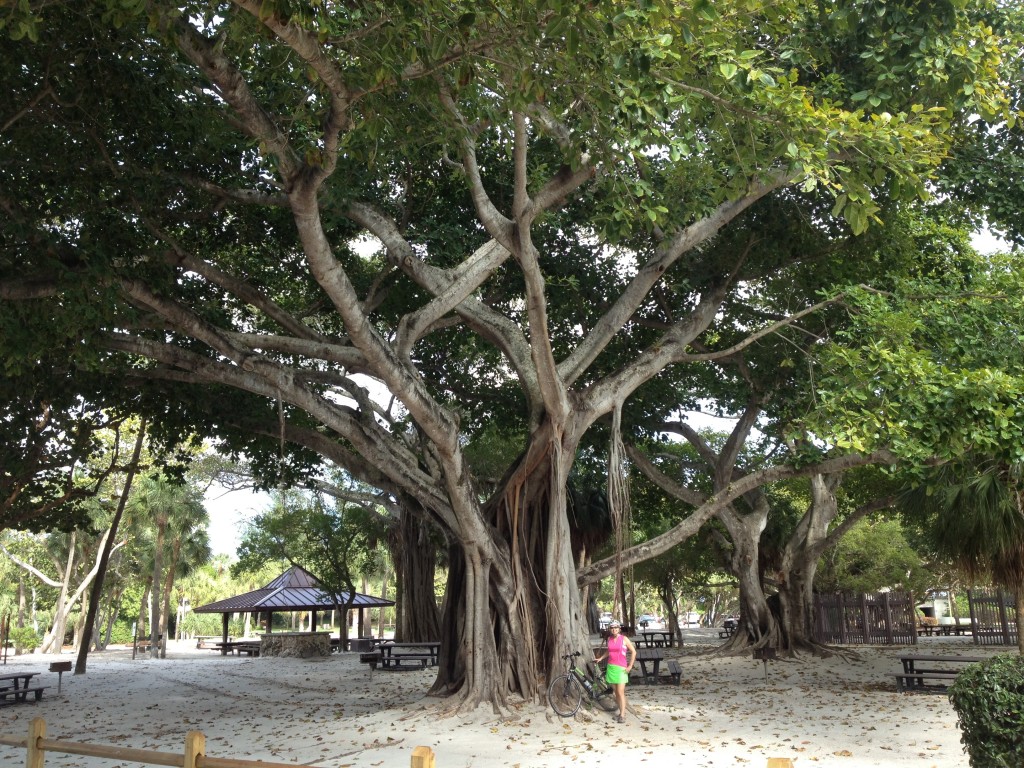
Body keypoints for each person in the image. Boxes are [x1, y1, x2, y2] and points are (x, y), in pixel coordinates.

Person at [593, 620, 636, 723]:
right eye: (612, 628)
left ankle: (622, 715)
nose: (614, 629)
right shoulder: (609, 639)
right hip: (611, 668)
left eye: (616, 628)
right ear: (610, 629)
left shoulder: (624, 639)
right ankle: (620, 712)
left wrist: (630, 665)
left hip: (621, 668)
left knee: (620, 692)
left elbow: (634, 652)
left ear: (619, 629)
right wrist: (601, 658)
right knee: (616, 692)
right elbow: (609, 651)